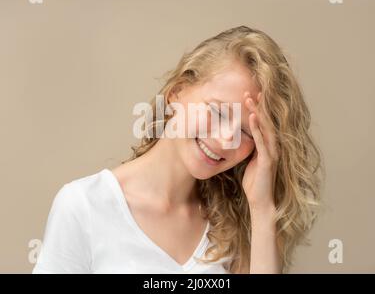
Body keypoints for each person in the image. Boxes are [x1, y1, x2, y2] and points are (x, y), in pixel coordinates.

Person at [33, 26, 324, 274]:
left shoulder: (238, 224)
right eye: (218, 112)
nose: (225, 140)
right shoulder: (84, 206)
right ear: (177, 92)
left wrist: (261, 210)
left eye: (247, 131)